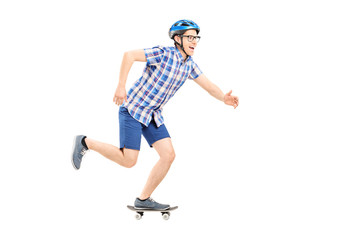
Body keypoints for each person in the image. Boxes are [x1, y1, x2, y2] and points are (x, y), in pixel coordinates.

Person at [71, 19, 239, 210]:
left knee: (168, 155)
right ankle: (85, 142)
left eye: (196, 38)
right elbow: (129, 55)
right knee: (129, 160)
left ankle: (143, 199)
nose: (194, 42)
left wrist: (223, 98)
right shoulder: (163, 53)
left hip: (152, 114)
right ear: (177, 38)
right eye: (190, 37)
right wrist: (121, 86)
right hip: (133, 109)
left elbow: (209, 86)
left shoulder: (189, 65)